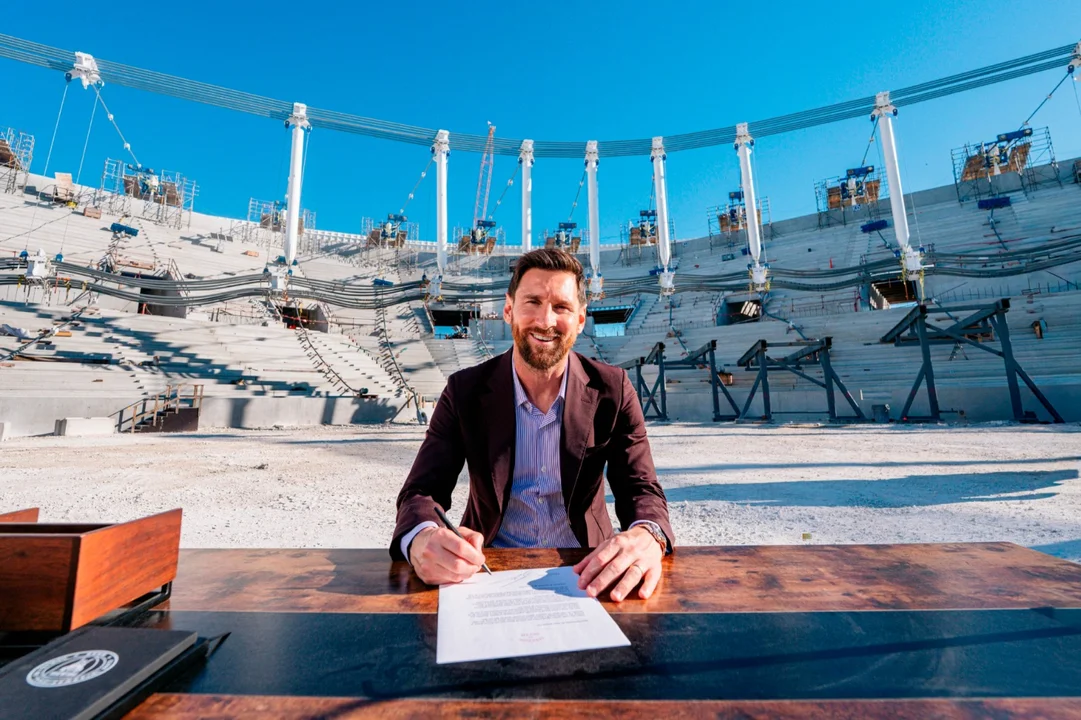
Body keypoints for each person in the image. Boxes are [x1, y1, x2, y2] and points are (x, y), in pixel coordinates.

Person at [391, 248, 673, 603]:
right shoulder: (464, 391)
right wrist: (421, 537)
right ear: (509, 310)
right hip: (485, 570)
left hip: (586, 570)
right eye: (533, 302)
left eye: (561, 307)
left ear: (581, 319)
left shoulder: (612, 389)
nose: (545, 321)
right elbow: (421, 492)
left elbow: (641, 489)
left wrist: (649, 535)